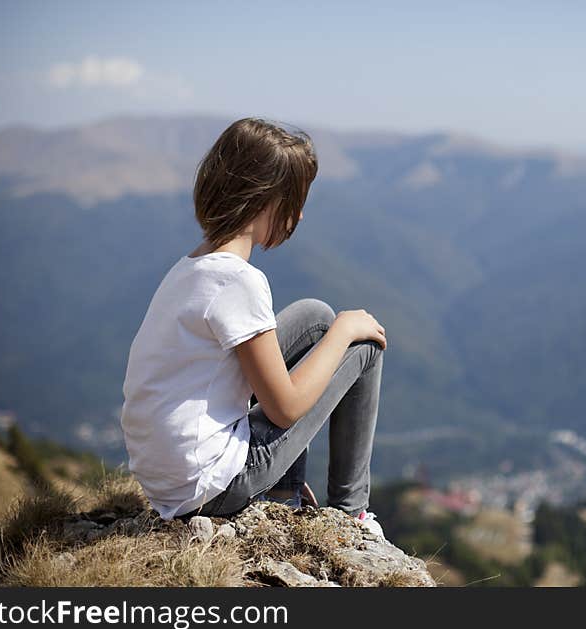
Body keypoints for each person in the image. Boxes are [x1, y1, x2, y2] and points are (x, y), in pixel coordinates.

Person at [120, 117, 387, 539]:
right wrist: (343, 332)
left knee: (315, 315)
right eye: (295, 200)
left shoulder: (192, 266)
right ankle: (351, 512)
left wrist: (330, 328)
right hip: (209, 486)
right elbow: (285, 408)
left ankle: (283, 492)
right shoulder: (239, 281)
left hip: (171, 477)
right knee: (363, 345)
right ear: (268, 200)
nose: (298, 214)